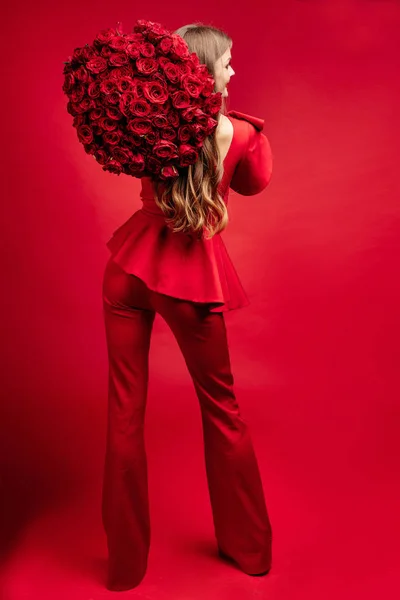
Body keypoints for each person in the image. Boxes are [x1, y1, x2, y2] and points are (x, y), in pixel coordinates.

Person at [101, 22, 273, 592]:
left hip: (126, 268)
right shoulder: (242, 133)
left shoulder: (143, 126)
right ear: (204, 70)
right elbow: (255, 184)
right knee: (222, 411)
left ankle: (125, 567)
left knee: (124, 413)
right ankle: (249, 552)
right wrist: (247, 128)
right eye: (226, 63)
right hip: (188, 278)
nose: (233, 72)